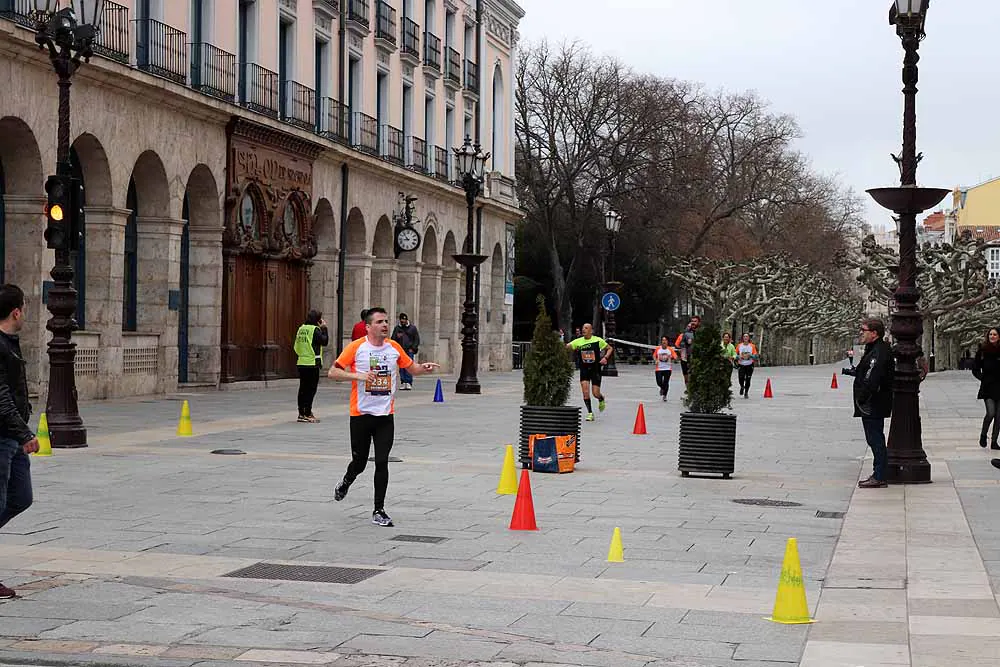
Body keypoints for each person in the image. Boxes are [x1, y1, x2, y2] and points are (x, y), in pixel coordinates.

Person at [328, 307, 439, 527]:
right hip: (360, 414)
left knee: (381, 461)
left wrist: (422, 368)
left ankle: (379, 510)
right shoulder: (356, 348)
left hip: (385, 416)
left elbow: (411, 368)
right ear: (368, 327)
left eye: (386, 321)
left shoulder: (394, 348)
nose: (385, 325)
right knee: (359, 463)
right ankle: (346, 482)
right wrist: (357, 375)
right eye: (380, 322)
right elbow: (333, 372)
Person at [0, 284, 40, 599]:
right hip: (4, 436)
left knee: (20, 498)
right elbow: (1, 398)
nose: (25, 312)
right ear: (16, 311)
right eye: (24, 306)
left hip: (12, 436)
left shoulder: (10, 342)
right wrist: (25, 433)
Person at [853, 318, 894, 489]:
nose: (861, 333)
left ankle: (880, 475)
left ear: (874, 333)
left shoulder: (878, 352)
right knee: (874, 438)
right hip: (873, 401)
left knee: (875, 438)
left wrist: (862, 397)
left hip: (873, 402)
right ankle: (879, 473)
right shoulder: (875, 349)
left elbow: (872, 376)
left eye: (864, 330)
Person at [566, 323, 613, 422]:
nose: (584, 330)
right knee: (585, 392)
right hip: (584, 370)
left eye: (586, 328)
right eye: (583, 328)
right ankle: (590, 413)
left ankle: (601, 398)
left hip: (595, 369)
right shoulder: (578, 341)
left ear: (591, 331)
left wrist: (605, 358)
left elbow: (610, 348)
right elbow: (567, 346)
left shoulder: (598, 340)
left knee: (595, 393)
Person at [294, 309, 329, 423]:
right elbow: (324, 341)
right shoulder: (315, 330)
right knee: (311, 389)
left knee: (303, 389)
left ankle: (301, 413)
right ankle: (307, 413)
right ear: (318, 319)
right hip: (312, 363)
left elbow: (296, 346)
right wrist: (324, 328)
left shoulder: (301, 328)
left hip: (301, 362)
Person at [972, 327, 1000, 450]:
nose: (992, 336)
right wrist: (982, 378)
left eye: (995, 334)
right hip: (988, 387)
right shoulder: (982, 351)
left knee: (999, 417)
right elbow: (975, 369)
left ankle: (994, 441)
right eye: (990, 334)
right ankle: (984, 434)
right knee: (991, 413)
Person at [391, 313, 420, 390]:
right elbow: (393, 339)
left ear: (406, 320)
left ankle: (408, 382)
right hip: (400, 351)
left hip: (409, 350)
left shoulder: (412, 328)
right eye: (401, 320)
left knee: (409, 366)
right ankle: (403, 381)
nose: (403, 321)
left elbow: (416, 339)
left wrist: (413, 348)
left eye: (404, 320)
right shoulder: (397, 329)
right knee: (402, 367)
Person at [674, 316, 701, 385]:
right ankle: (688, 387)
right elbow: (682, 343)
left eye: (695, 321)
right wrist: (682, 352)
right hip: (687, 356)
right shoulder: (686, 334)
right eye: (692, 321)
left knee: (696, 376)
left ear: (699, 322)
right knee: (686, 375)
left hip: (699, 357)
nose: (693, 323)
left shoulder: (702, 332)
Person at [652, 336, 677, 401]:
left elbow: (675, 356)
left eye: (665, 340)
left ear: (667, 342)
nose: (664, 341)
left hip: (667, 369)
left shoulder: (670, 349)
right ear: (661, 342)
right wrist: (655, 360)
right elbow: (654, 355)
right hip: (659, 368)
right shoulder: (658, 349)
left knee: (666, 382)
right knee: (659, 382)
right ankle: (662, 388)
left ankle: (665, 396)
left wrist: (673, 357)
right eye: (663, 340)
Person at [735, 333, 759, 398]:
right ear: (743, 338)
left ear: (749, 338)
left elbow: (756, 356)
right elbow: (735, 354)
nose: (745, 337)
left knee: (748, 379)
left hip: (749, 365)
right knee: (741, 377)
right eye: (744, 336)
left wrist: (750, 355)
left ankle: (746, 392)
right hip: (741, 365)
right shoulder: (739, 346)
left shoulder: (752, 346)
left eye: (747, 336)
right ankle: (742, 386)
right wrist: (738, 357)